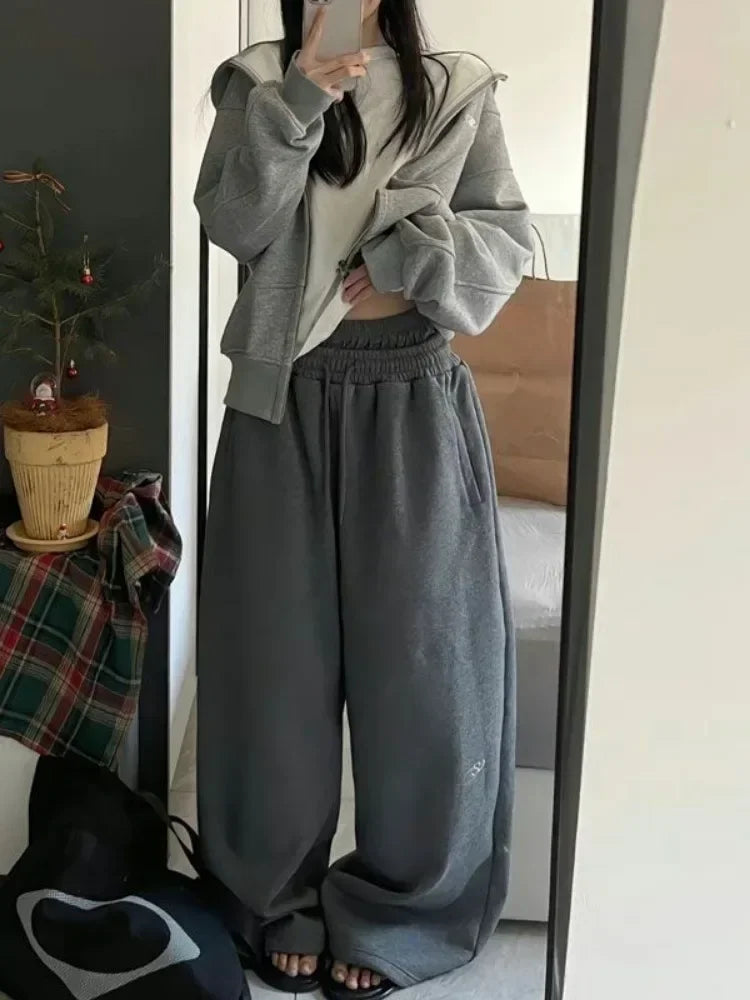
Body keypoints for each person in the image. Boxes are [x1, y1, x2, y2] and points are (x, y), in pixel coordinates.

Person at [195, 1, 532, 996]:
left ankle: (405, 910)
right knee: (271, 673)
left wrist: (405, 263)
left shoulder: (458, 88)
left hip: (414, 398)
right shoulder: (258, 79)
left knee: (429, 677)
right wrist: (301, 97)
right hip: (279, 403)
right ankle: (273, 898)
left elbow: (504, 241)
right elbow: (232, 224)